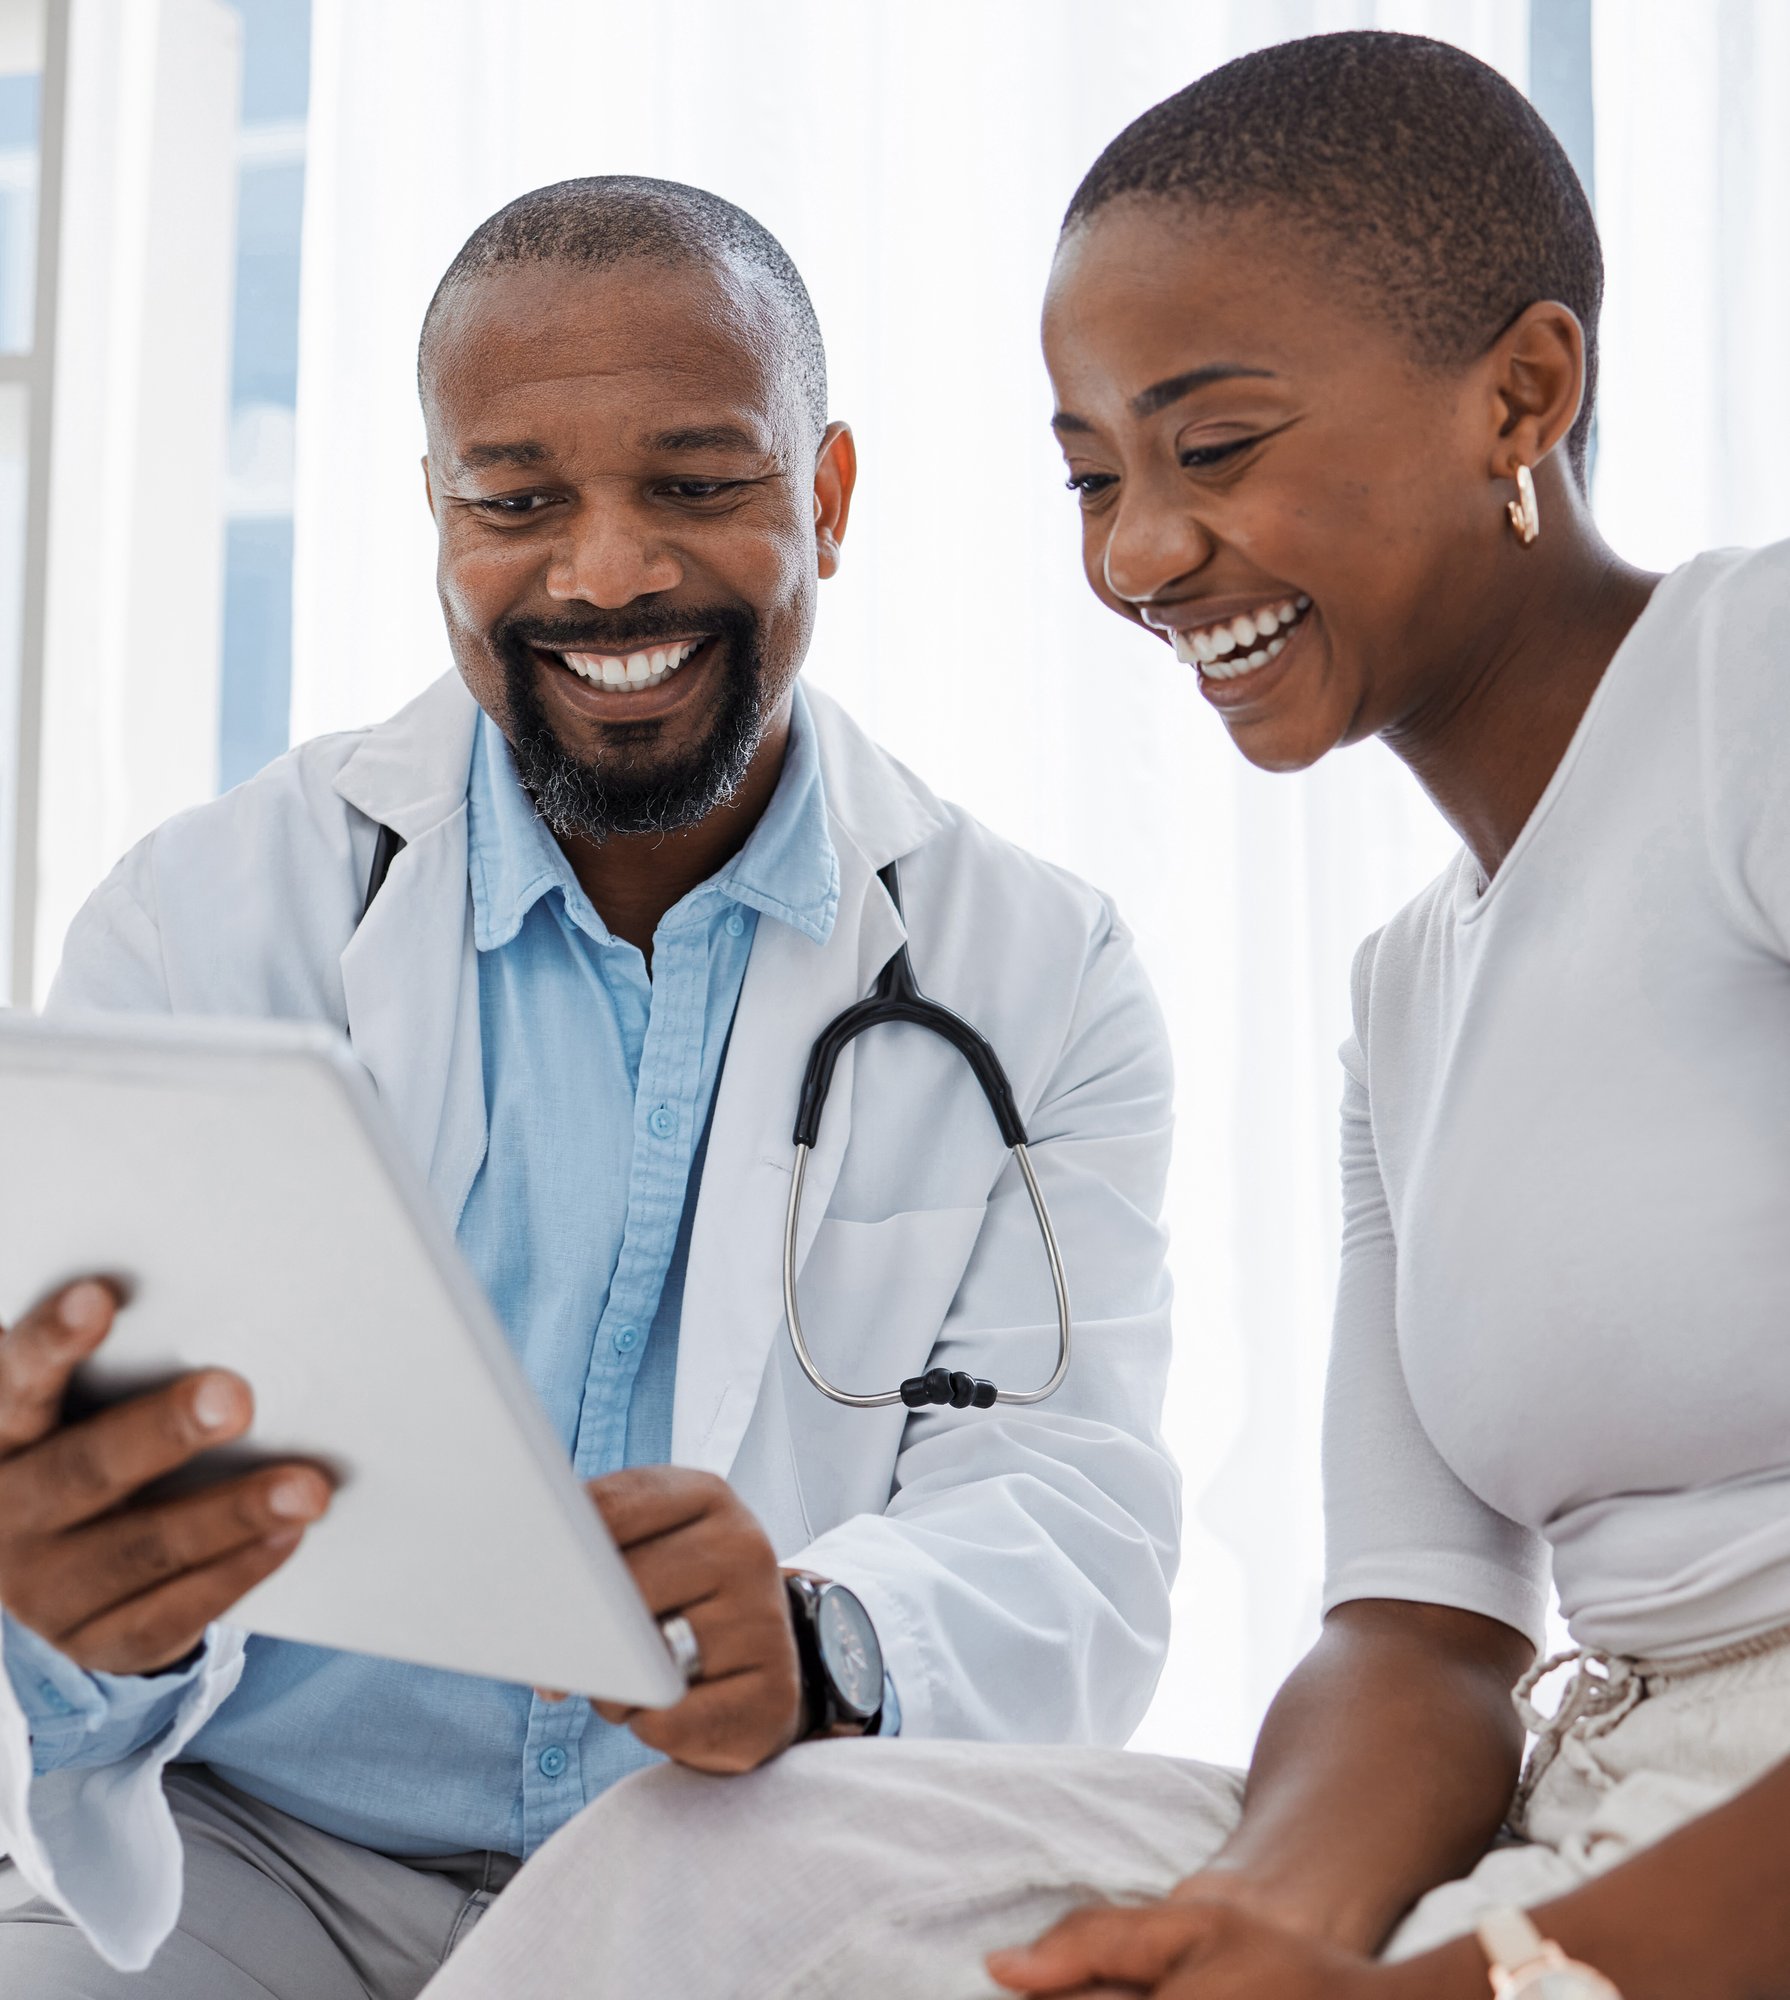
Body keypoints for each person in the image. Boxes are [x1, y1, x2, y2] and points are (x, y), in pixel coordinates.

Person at [412, 31, 1790, 2000]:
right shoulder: (1411, 990)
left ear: (1523, 390)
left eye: (1213, 449)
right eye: (1091, 478)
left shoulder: (1756, 684)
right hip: (1588, 1806)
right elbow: (1419, 1630)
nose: (1138, 555)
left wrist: (1470, 1984)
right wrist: (1265, 1925)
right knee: (733, 1864)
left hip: (1712, 1873)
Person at [0, 177, 1183, 1996]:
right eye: (517, 498)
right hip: (255, 1857)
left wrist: (824, 1635)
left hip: (732, 1873)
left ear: (830, 498)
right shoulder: (203, 918)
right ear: (437, 512)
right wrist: (79, 1618)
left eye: (700, 485)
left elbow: (1067, 1499)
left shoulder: (1035, 967)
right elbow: (86, 1501)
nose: (609, 570)